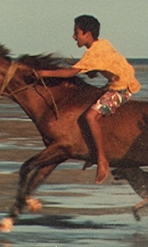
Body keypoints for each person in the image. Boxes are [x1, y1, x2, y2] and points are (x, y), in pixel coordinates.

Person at [35, 15, 141, 184]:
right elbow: (108, 63)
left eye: (76, 32)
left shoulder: (94, 52)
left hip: (121, 89)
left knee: (90, 116)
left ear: (87, 34)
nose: (74, 36)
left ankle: (102, 159)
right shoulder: (102, 43)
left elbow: (70, 73)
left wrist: (43, 73)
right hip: (116, 83)